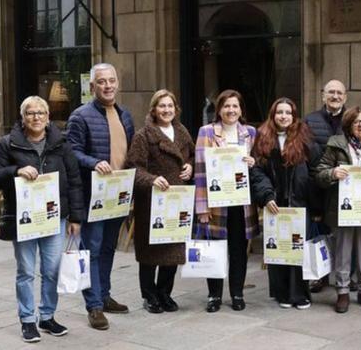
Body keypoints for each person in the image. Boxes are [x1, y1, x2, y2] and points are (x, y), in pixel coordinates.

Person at [0, 95, 85, 343]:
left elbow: (74, 180)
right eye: (30, 113)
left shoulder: (61, 142)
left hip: (55, 217)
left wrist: (76, 217)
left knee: (51, 270)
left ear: (48, 117)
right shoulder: (8, 144)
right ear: (23, 117)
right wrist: (16, 171)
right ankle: (28, 320)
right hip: (25, 218)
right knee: (26, 271)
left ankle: (47, 316)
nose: (36, 117)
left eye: (41, 112)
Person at [66, 63, 135, 330]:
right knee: (91, 250)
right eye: (101, 81)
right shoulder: (80, 116)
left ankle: (104, 295)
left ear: (117, 84)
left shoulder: (124, 115)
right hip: (92, 195)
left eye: (111, 80)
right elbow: (71, 153)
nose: (107, 86)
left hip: (118, 194)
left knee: (108, 247)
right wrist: (94, 162)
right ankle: (93, 306)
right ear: (92, 86)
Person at [126, 89, 195, 314]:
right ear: (154, 109)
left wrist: (190, 167)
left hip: (177, 200)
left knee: (173, 251)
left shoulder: (182, 131)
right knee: (150, 253)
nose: (166, 110)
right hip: (152, 202)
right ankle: (149, 295)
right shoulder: (144, 135)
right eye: (162, 106)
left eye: (170, 106)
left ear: (176, 109)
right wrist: (152, 179)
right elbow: (133, 167)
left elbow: (193, 155)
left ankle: (165, 293)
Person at [316, 107, 361, 313]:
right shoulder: (337, 144)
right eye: (356, 122)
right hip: (343, 207)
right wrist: (332, 172)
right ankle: (342, 291)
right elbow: (320, 173)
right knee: (343, 250)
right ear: (349, 126)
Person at [250, 97, 321, 310]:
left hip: (300, 203)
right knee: (279, 249)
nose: (283, 116)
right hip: (275, 204)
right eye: (279, 112)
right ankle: (282, 293)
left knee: (299, 249)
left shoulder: (305, 138)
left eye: (288, 113)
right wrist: (267, 196)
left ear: (294, 115)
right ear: (273, 115)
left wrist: (316, 205)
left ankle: (299, 294)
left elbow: (315, 170)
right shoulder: (262, 139)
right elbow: (257, 172)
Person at [194, 90, 259, 312]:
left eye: (235, 106)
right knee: (215, 248)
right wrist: (202, 207)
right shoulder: (207, 132)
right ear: (219, 109)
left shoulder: (250, 133)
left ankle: (237, 294)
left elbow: (259, 167)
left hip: (242, 204)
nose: (231, 110)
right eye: (226, 106)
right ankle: (214, 296)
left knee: (239, 250)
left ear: (241, 110)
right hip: (216, 202)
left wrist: (253, 162)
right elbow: (200, 171)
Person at [303, 79, 348, 293]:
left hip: (345, 187)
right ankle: (320, 276)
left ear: (345, 97)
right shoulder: (310, 120)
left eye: (339, 93)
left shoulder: (353, 119)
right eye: (331, 92)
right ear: (323, 95)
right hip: (317, 186)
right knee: (319, 233)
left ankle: (346, 276)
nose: (335, 96)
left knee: (344, 235)